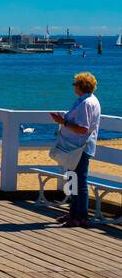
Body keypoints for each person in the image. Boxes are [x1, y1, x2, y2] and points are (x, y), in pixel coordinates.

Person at [50, 72, 102, 228]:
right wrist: (64, 119)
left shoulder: (86, 103)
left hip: (79, 147)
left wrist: (63, 123)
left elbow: (83, 129)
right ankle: (74, 213)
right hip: (75, 147)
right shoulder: (86, 101)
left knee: (79, 182)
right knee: (73, 179)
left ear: (81, 86)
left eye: (75, 83)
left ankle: (81, 217)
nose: (73, 86)